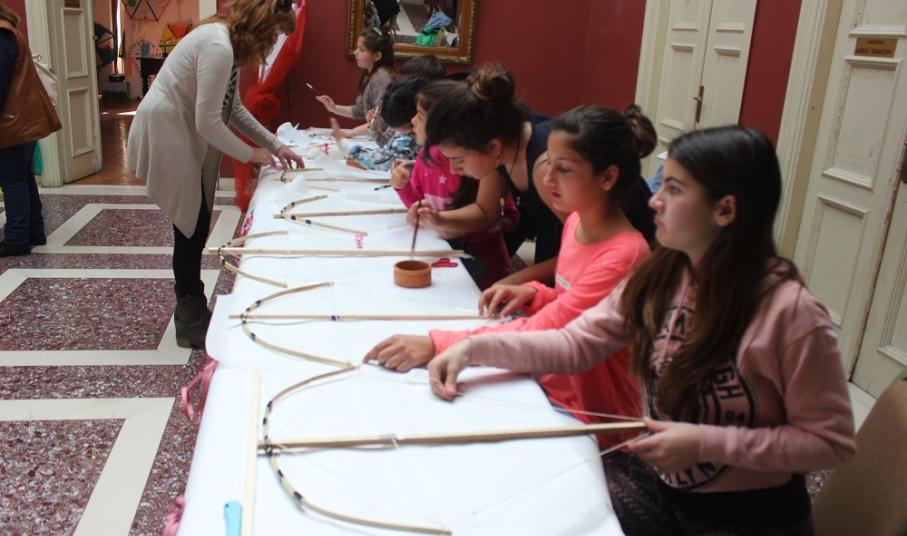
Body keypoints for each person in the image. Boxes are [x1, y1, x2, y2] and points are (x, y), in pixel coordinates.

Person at [427, 126, 857, 534]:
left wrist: (706, 443)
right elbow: (575, 343)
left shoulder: (792, 315)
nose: (654, 201)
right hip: (661, 486)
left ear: (725, 210)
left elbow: (830, 443)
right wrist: (474, 350)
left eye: (674, 189)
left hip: (748, 519)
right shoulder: (661, 276)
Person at [366, 106, 654, 446]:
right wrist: (536, 293)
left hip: (592, 417)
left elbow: (553, 330)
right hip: (552, 384)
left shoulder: (624, 255)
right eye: (548, 163)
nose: (547, 179)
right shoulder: (577, 222)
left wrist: (437, 344)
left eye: (564, 169)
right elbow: (574, 301)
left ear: (607, 178)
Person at [127, 0, 303, 350]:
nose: (272, 44)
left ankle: (193, 305)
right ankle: (189, 317)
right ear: (261, 25)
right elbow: (208, 122)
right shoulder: (218, 46)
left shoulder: (227, 44)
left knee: (196, 220)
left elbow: (232, 108)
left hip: (183, 129)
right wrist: (252, 153)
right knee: (189, 224)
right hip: (169, 128)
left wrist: (275, 144)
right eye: (274, 34)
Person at [424, 64, 656, 289]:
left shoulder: (547, 169)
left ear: (493, 146)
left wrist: (518, 278)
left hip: (629, 268)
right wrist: (440, 220)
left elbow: (584, 249)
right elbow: (487, 212)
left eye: (459, 159)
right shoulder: (501, 147)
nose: (453, 170)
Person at [391, 79, 516, 289]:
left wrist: (444, 221)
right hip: (443, 257)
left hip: (481, 265)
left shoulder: (480, 161)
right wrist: (404, 190)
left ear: (442, 124)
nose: (412, 121)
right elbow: (420, 203)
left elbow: (497, 217)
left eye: (420, 116)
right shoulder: (425, 157)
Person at [0, 2, 61, 257]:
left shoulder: (2, 35)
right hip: (23, 118)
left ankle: (16, 239)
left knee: (12, 180)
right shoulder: (9, 29)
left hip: (11, 121)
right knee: (22, 177)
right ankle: (34, 231)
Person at [316, 29, 394, 143]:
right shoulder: (370, 75)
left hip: (388, 141)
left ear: (377, 55)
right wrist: (333, 108)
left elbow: (382, 121)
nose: (355, 52)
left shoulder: (382, 78)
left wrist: (352, 132)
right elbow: (360, 110)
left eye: (361, 50)